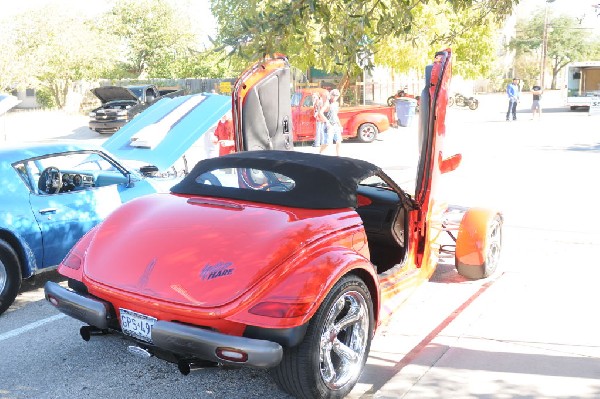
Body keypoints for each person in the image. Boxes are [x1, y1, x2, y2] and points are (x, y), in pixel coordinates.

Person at [320, 89, 342, 156]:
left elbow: (335, 115)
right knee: (327, 143)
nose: (335, 97)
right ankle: (319, 154)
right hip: (329, 125)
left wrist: (340, 125)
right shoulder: (327, 103)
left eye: (337, 95)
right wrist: (327, 122)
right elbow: (320, 112)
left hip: (335, 125)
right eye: (334, 95)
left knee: (339, 141)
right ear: (331, 95)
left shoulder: (336, 104)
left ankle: (338, 156)